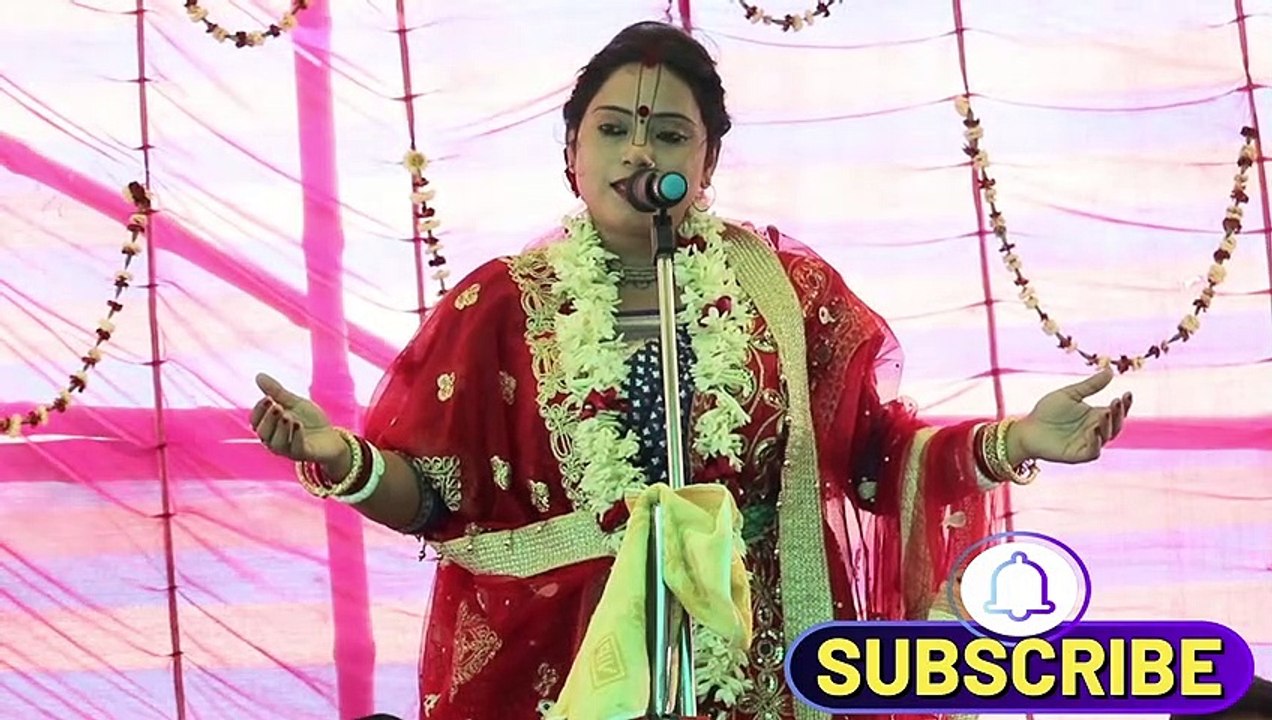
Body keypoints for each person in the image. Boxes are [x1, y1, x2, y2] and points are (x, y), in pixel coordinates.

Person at [249, 20, 1131, 720]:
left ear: (705, 163)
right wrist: (340, 458)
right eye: (613, 130)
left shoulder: (789, 293)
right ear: (571, 151)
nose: (640, 153)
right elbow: (434, 499)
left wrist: (1019, 440)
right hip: (566, 659)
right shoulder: (498, 307)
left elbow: (875, 455)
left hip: (755, 655)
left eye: (670, 134)